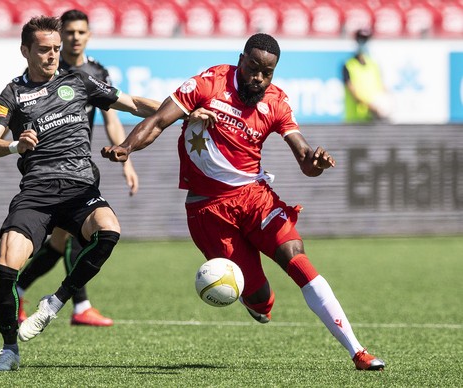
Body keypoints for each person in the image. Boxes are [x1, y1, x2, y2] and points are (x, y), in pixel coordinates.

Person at [101, 33, 386, 371]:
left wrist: (316, 162)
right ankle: (257, 303)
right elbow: (159, 121)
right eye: (253, 68)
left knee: (296, 258)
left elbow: (304, 157)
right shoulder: (208, 84)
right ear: (241, 60)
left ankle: (358, 352)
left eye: (267, 73)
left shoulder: (276, 102)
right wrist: (127, 147)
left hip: (255, 197)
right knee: (261, 298)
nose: (259, 78)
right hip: (208, 210)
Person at [0, 15, 161, 371]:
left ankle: (57, 301)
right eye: (44, 50)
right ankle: (8, 350)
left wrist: (185, 111)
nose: (52, 55)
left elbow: (134, 104)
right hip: (36, 191)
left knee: (109, 230)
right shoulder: (12, 94)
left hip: (79, 187)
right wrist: (15, 145)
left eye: (55, 49)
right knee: (5, 268)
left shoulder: (78, 80)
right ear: (25, 51)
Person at [342, 28, 390, 123]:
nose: (363, 43)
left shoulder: (374, 65)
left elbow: (382, 88)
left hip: (374, 119)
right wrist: (371, 106)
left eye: (365, 40)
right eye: (360, 40)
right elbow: (353, 93)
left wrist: (387, 104)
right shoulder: (348, 65)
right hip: (355, 120)